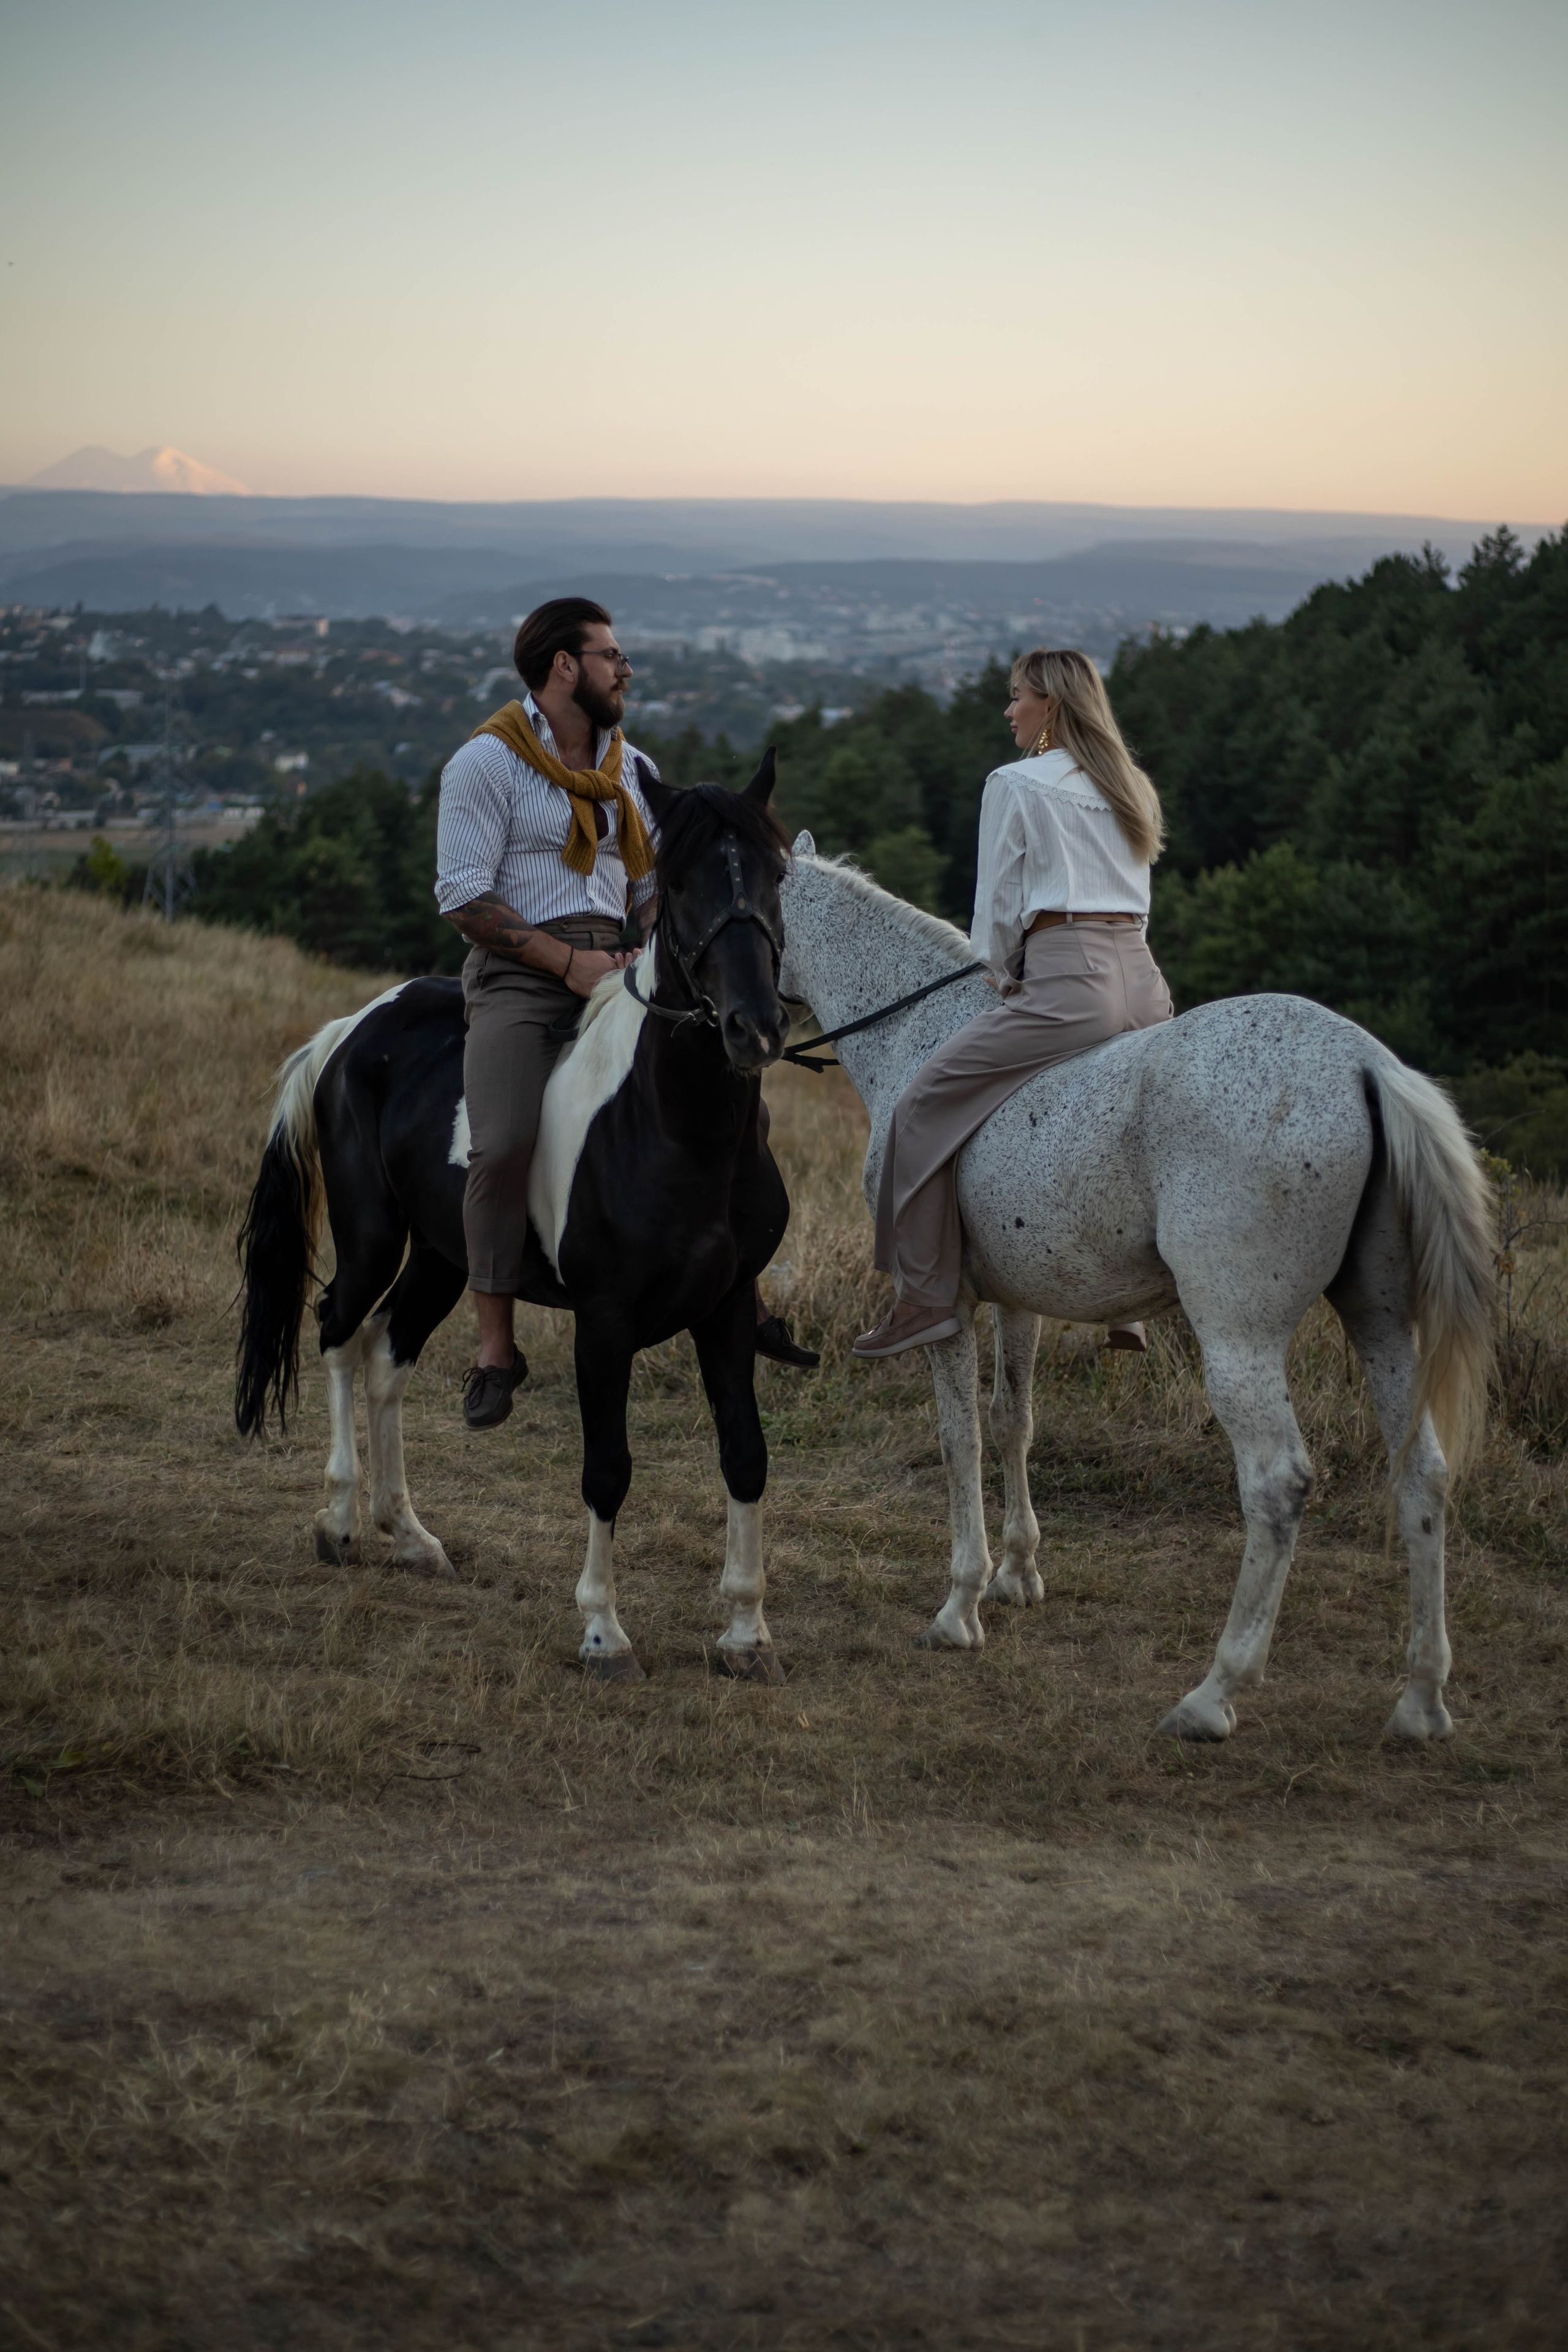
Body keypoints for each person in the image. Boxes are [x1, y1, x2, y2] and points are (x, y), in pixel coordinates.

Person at [437, 597, 814, 1433]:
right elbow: (464, 897)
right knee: (500, 1142)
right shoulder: (487, 766)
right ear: (564, 668)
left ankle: (739, 1291)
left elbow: (654, 890)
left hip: (626, 966)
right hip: (522, 977)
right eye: (611, 655)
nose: (625, 668)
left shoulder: (630, 770)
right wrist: (567, 963)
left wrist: (644, 954)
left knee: (725, 1110)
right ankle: (496, 1346)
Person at [852, 647, 1173, 1360]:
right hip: (1145, 985)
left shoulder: (1017, 783)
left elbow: (996, 907)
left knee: (921, 1107)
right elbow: (1139, 907)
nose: (1008, 710)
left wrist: (998, 976)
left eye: (1017, 696)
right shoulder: (1131, 786)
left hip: (1067, 977)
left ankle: (924, 1299)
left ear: (1050, 706)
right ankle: (1129, 1310)